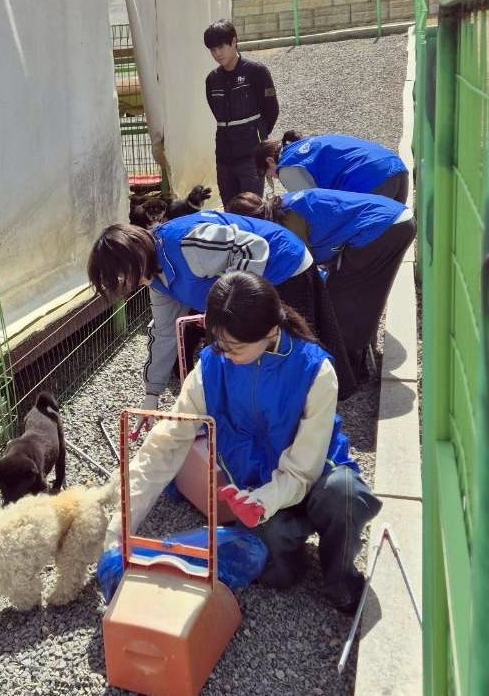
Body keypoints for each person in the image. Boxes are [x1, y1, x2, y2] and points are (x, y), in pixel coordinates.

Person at [104, 271, 381, 614]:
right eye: (218, 344)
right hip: (253, 489)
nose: (224, 354)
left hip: (314, 479)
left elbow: (303, 469)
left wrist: (263, 501)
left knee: (345, 493)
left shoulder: (316, 372)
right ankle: (288, 551)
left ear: (270, 332)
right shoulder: (211, 368)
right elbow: (166, 444)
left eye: (234, 347)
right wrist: (120, 526)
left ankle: (342, 579)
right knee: (278, 573)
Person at [87, 211, 314, 410]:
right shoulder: (155, 279)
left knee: (281, 360)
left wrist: (232, 304)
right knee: (240, 359)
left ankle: (298, 411)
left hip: (284, 267)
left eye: (122, 276)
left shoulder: (185, 243)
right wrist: (152, 393)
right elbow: (165, 332)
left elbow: (252, 247)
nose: (127, 284)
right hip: (249, 290)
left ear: (134, 256)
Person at [226, 189, 416, 373]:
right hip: (390, 220)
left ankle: (350, 368)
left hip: (382, 228)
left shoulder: (287, 221)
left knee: (343, 304)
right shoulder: (281, 207)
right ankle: (357, 354)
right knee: (357, 295)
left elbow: (305, 271)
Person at [204, 19, 279, 206]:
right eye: (212, 49)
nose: (217, 54)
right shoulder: (212, 79)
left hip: (250, 158)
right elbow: (216, 112)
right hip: (223, 158)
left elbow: (271, 110)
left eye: (221, 47)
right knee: (230, 212)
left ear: (234, 41)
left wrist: (257, 137)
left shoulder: (256, 71)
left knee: (252, 211)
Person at [255, 131, 409, 203]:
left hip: (371, 182)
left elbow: (314, 205)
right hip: (396, 166)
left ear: (270, 161)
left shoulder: (287, 168)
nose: (274, 177)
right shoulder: (306, 145)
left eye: (268, 174)